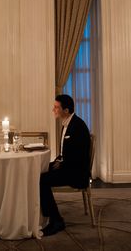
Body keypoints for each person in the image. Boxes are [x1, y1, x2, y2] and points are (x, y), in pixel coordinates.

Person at [40, 94, 91, 236]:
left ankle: (56, 220)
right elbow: (65, 152)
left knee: (42, 180)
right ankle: (46, 215)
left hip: (77, 173)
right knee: (40, 171)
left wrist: (61, 164)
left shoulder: (77, 127)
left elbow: (79, 157)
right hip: (69, 167)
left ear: (66, 110)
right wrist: (58, 161)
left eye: (56, 107)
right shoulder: (68, 123)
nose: (53, 109)